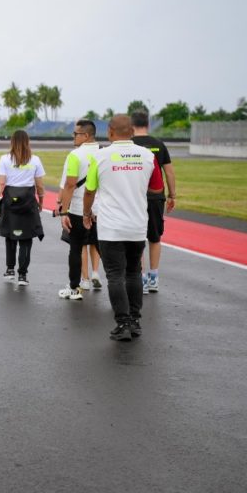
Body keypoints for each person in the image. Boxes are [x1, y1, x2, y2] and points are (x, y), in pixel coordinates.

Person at [83, 115, 164, 341]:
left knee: (115, 275)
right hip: (137, 224)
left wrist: (87, 213)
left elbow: (89, 191)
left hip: (111, 227)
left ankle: (123, 322)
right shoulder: (148, 156)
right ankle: (135, 321)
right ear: (132, 132)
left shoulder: (100, 156)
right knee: (134, 272)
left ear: (110, 132)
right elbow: (157, 189)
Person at [0, 130, 45, 286]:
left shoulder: (5, 159)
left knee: (10, 236)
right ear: (27, 142)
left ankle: (10, 269)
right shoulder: (35, 160)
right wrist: (41, 201)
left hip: (10, 201)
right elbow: (40, 185)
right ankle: (22, 275)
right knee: (26, 239)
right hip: (28, 202)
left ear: (12, 142)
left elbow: (1, 182)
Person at [131, 110, 177, 294]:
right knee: (155, 237)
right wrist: (172, 195)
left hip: (135, 197)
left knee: (137, 237)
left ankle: (141, 278)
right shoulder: (159, 144)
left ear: (131, 126)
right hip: (156, 198)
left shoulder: (129, 144)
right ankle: (154, 277)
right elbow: (169, 172)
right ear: (148, 125)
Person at [55, 120, 101, 301]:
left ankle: (75, 288)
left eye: (76, 134)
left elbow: (69, 184)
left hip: (78, 209)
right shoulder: (105, 152)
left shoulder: (75, 155)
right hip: (102, 209)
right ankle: (122, 288)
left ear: (86, 135)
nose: (73, 137)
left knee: (75, 248)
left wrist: (64, 211)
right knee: (108, 250)